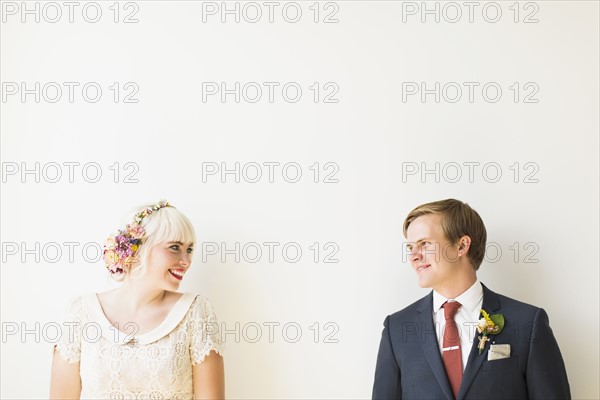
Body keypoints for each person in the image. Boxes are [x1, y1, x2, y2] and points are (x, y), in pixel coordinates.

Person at [372, 199, 570, 400]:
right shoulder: (396, 329)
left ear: (461, 245)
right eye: (410, 247)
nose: (414, 256)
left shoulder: (528, 323)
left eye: (425, 244)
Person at [50, 200, 224, 399]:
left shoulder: (196, 312)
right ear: (139, 249)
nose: (186, 261)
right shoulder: (81, 312)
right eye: (175, 247)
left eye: (190, 249)